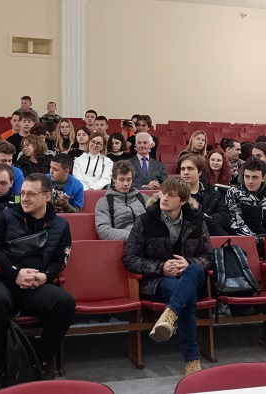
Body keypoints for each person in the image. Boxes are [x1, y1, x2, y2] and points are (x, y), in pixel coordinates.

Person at [0, 173, 75, 392]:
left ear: (47, 196)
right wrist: (14, 273)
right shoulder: (6, 217)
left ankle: (37, 362)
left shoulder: (61, 225)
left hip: (32, 284)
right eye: (22, 193)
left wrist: (45, 276)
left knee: (64, 302)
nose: (24, 198)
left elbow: (60, 259)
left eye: (30, 194)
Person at [123, 176, 213, 376]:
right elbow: (129, 259)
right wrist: (161, 267)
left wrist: (188, 262)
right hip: (160, 281)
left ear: (183, 200)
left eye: (171, 195)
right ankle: (192, 360)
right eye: (163, 193)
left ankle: (170, 314)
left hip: (192, 277)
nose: (164, 198)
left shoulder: (196, 221)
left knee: (193, 269)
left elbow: (208, 257)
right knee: (186, 296)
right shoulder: (145, 221)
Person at [226, 158, 266, 242]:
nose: (250, 181)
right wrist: (256, 241)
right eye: (247, 177)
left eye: (254, 177)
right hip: (245, 241)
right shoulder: (234, 192)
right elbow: (236, 223)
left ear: (263, 178)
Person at [179, 153, 231, 236]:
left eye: (190, 169)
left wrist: (207, 219)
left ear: (199, 172)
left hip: (211, 235)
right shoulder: (175, 195)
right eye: (182, 169)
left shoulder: (214, 194)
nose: (185, 172)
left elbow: (225, 216)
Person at [94, 161, 147, 241]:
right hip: (124, 242)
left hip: (148, 241)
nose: (126, 184)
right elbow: (104, 231)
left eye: (129, 180)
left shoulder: (144, 198)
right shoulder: (104, 203)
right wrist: (135, 236)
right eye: (122, 180)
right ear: (114, 179)